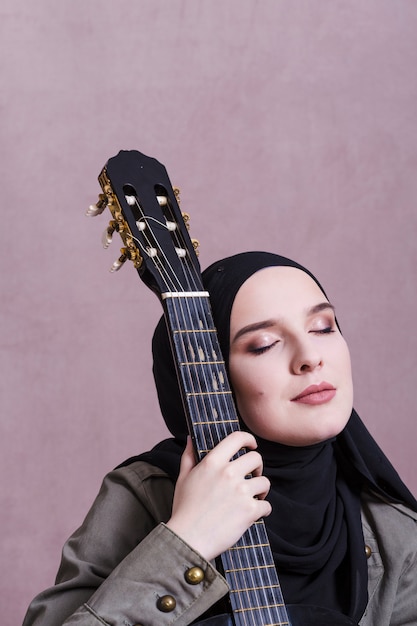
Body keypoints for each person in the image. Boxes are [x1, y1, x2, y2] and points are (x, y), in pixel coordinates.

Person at [23, 251, 417, 626]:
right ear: (210, 375)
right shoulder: (142, 495)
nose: (310, 356)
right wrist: (186, 539)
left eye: (323, 327)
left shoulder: (391, 528)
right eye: (264, 344)